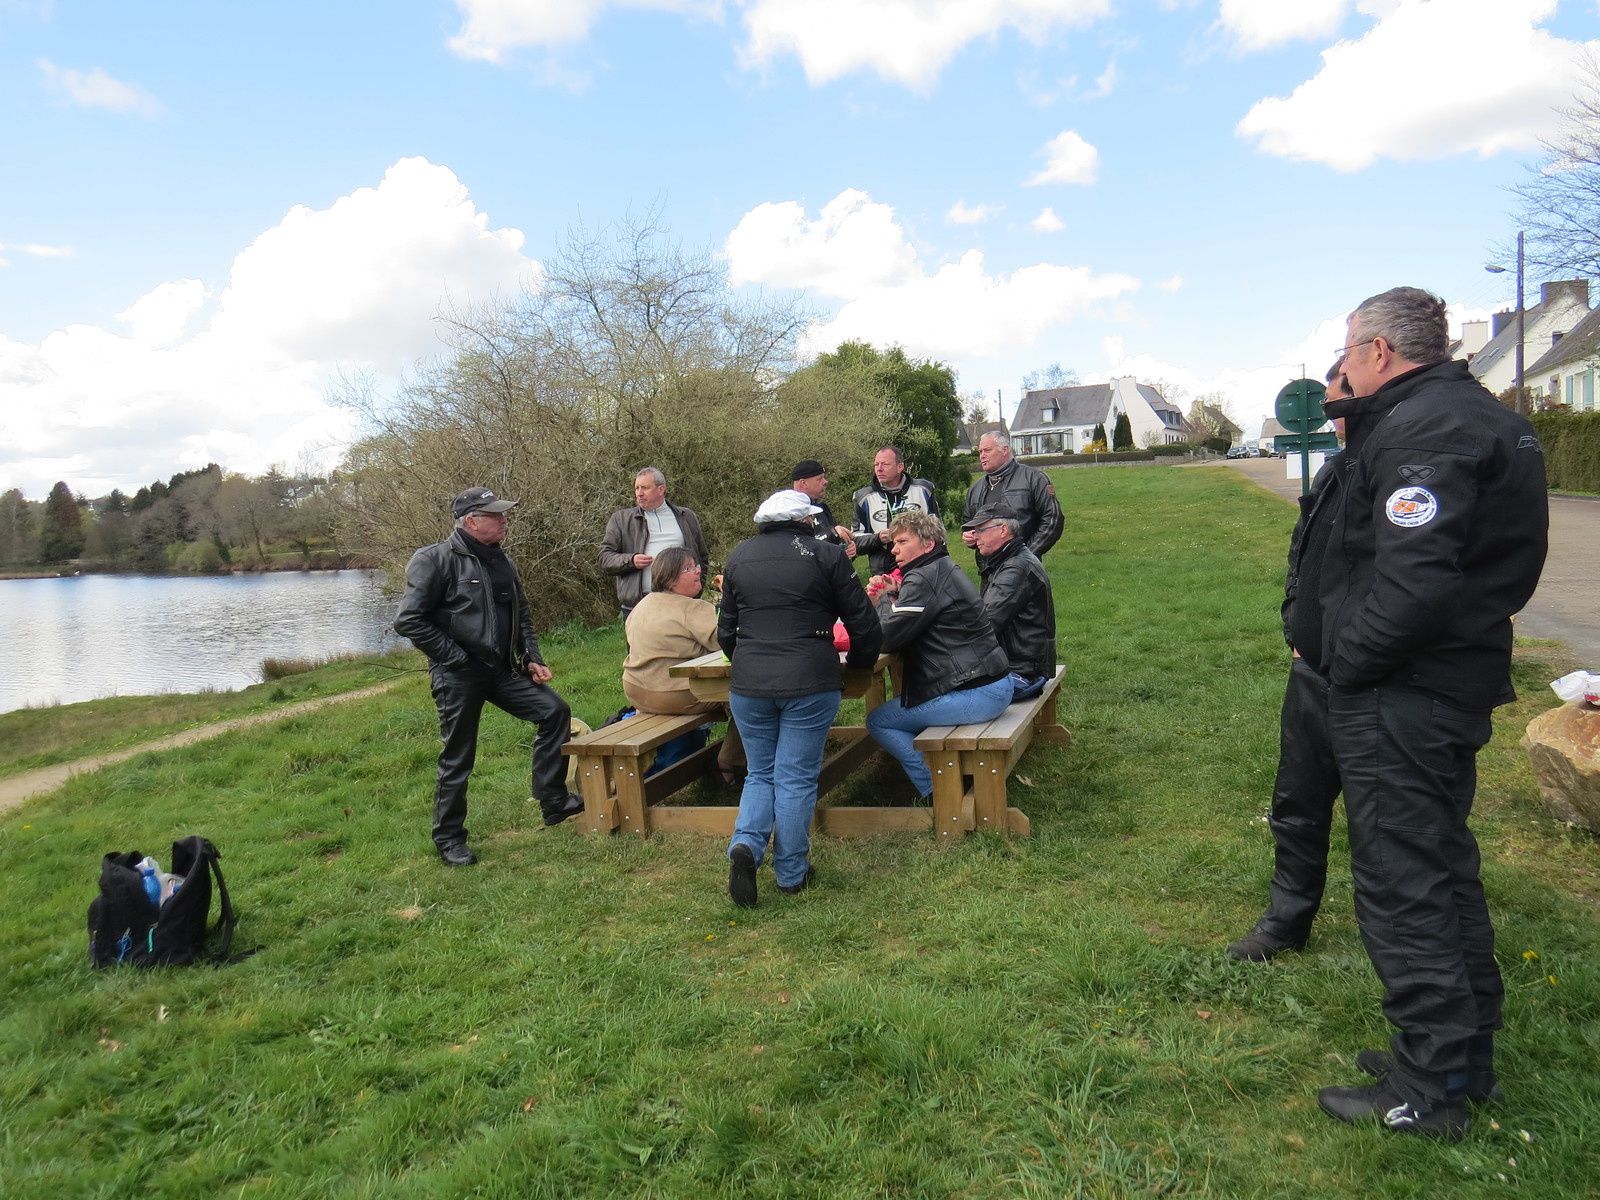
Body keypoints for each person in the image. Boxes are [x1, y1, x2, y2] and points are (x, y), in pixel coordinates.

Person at [1311, 288, 1548, 1140]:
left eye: (1349, 350)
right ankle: (1461, 1054)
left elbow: (1414, 584)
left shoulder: (1424, 429)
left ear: (1377, 351)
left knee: (1404, 881)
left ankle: (1431, 1087)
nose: (1346, 366)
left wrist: (1349, 663)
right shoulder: (1473, 414)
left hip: (1406, 692)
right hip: (1447, 681)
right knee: (1443, 864)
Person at [1227, 362, 1352, 963]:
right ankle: (1286, 920)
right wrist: (1294, 626)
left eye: (1335, 405)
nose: (1329, 417)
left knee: (1389, 826)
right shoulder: (1336, 472)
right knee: (1297, 803)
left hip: (1373, 678)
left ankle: (1410, 952)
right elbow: (1301, 555)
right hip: (1312, 672)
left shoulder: (1404, 465)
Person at [394, 486, 584, 866]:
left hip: (501, 670)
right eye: (495, 515)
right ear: (471, 522)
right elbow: (409, 621)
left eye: (503, 513)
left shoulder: (502, 561)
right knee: (458, 756)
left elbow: (523, 614)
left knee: (554, 712)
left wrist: (532, 656)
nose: (504, 519)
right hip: (458, 676)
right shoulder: (435, 560)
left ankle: (553, 801)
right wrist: (457, 658)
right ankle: (449, 839)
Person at [718, 488, 882, 907]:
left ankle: (746, 847)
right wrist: (859, 669)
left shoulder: (738, 557)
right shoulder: (825, 557)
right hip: (810, 677)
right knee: (794, 777)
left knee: (760, 773)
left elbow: (726, 629)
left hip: (750, 683)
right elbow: (863, 622)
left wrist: (747, 663)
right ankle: (791, 873)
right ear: (804, 521)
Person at [865, 510, 1014, 801]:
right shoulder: (941, 567)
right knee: (903, 711)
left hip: (976, 692)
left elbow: (886, 639)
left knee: (879, 721)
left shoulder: (923, 578)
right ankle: (945, 778)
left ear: (928, 544)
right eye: (893, 543)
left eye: (903, 541)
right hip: (993, 683)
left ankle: (939, 792)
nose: (894, 549)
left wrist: (881, 599)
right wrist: (896, 594)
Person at [622, 546, 743, 780]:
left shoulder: (641, 605)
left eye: (696, 566)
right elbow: (727, 641)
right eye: (689, 568)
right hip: (676, 695)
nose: (698, 572)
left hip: (636, 692)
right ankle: (730, 761)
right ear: (669, 578)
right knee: (752, 698)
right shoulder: (692, 608)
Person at [963, 502, 1056, 701]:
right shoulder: (1009, 560)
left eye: (981, 529)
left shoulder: (1015, 569)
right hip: (1021, 664)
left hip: (1021, 672)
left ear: (1003, 530)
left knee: (916, 705)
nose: (974, 536)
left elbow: (983, 626)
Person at [600, 467, 710, 616]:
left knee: (683, 641)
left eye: (644, 488)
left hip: (682, 602)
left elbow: (702, 557)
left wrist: (698, 589)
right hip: (639, 605)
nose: (639, 493)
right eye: (637, 488)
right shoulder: (621, 519)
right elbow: (604, 558)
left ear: (661, 489)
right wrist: (631, 560)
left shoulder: (686, 516)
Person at [961, 433, 1063, 565]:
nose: (982, 455)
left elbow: (1053, 520)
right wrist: (970, 537)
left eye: (987, 450)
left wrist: (1026, 555)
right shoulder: (975, 489)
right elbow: (968, 523)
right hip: (988, 571)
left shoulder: (1034, 479)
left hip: (1024, 572)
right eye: (980, 451)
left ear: (1005, 450)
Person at [851, 445, 941, 575]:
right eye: (876, 465)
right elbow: (855, 542)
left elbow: (938, 531)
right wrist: (878, 538)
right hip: (884, 571)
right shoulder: (863, 497)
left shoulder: (924, 489)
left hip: (924, 566)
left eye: (885, 464)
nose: (879, 469)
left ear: (900, 467)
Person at [790, 459, 856, 555]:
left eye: (824, 478)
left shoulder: (822, 507)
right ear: (803, 483)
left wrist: (845, 548)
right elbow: (800, 548)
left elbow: (831, 548)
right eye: (819, 479)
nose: (825, 482)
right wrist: (832, 532)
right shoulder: (789, 512)